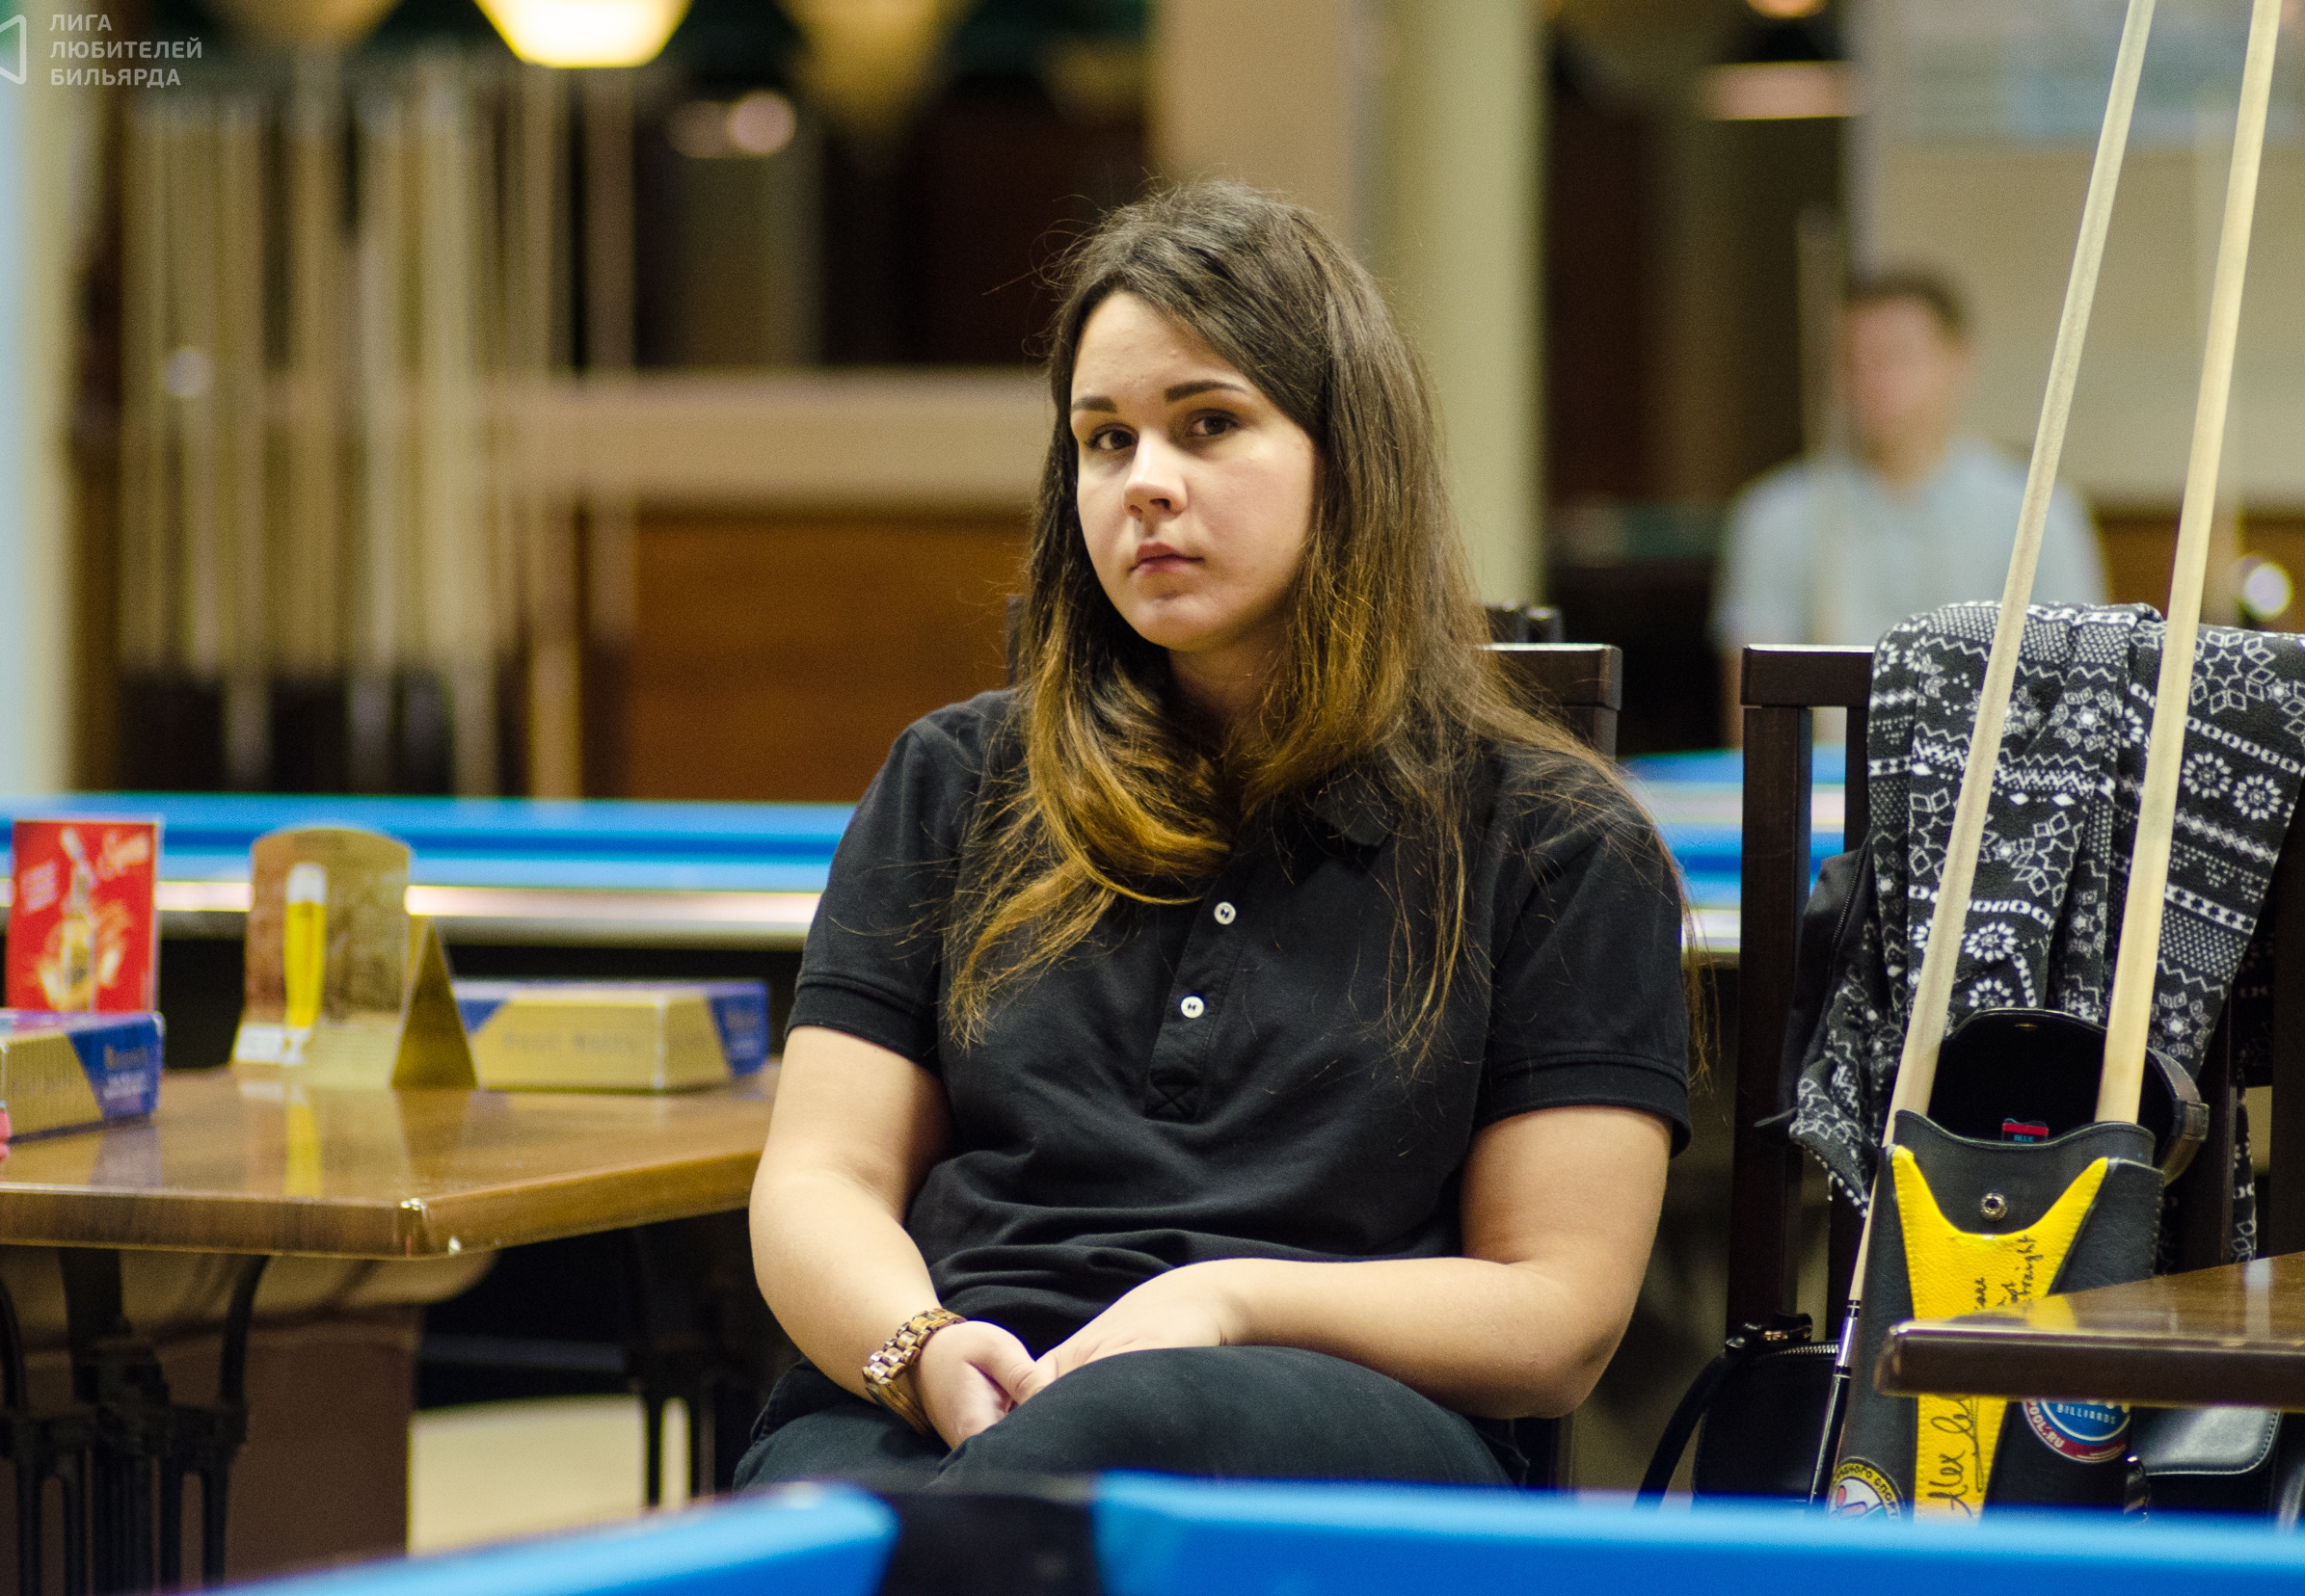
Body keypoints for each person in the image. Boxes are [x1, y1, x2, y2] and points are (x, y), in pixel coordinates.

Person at [737, 180, 1692, 1490]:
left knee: (1099, 1443)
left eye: (1209, 424)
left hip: (1340, 1416)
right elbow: (820, 1180)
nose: (1146, 483)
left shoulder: (1556, 838)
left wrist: (1223, 1302)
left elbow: (1556, 1321)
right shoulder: (952, 777)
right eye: (1105, 439)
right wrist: (919, 1347)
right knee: (810, 1508)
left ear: (1347, 459)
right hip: (968, 1380)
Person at [1711, 270, 2107, 728]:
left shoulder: (2040, 510)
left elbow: (2077, 692)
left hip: (1989, 771)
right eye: (1851, 362)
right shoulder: (1774, 516)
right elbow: (1753, 712)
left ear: (1960, 359)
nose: (1872, 380)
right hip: (1826, 771)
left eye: (1896, 357)